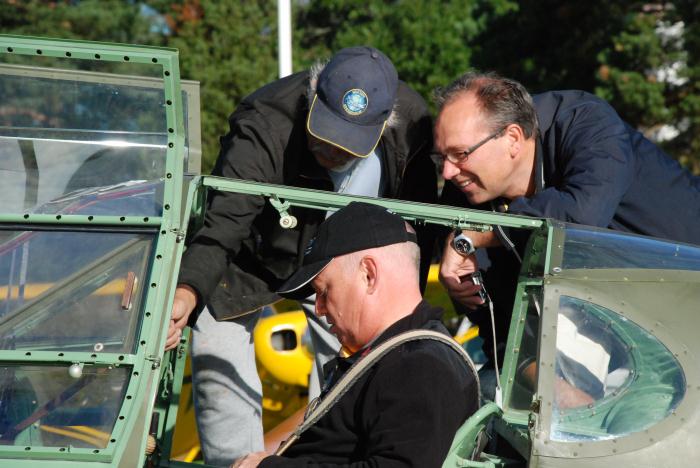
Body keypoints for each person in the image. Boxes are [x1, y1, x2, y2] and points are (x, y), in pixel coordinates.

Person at [166, 47, 436, 466]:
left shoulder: (415, 128)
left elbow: (418, 230)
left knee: (358, 360)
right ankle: (235, 462)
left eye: (349, 144)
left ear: (385, 124)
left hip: (343, 260)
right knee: (214, 345)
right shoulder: (263, 120)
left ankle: (321, 459)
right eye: (324, 134)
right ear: (312, 95)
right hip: (254, 255)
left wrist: (405, 314)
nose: (332, 152)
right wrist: (186, 291)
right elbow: (226, 220)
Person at [432, 71, 700, 393]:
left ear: (514, 138)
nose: (448, 171)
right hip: (607, 328)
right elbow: (503, 330)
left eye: (460, 154)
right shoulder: (464, 191)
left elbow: (581, 216)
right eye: (441, 157)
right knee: (491, 392)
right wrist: (560, 394)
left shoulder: (586, 122)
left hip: (685, 303)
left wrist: (474, 236)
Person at [233, 201, 479, 468]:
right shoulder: (401, 356)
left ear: (369, 274)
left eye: (324, 291)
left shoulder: (418, 366)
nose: (319, 308)